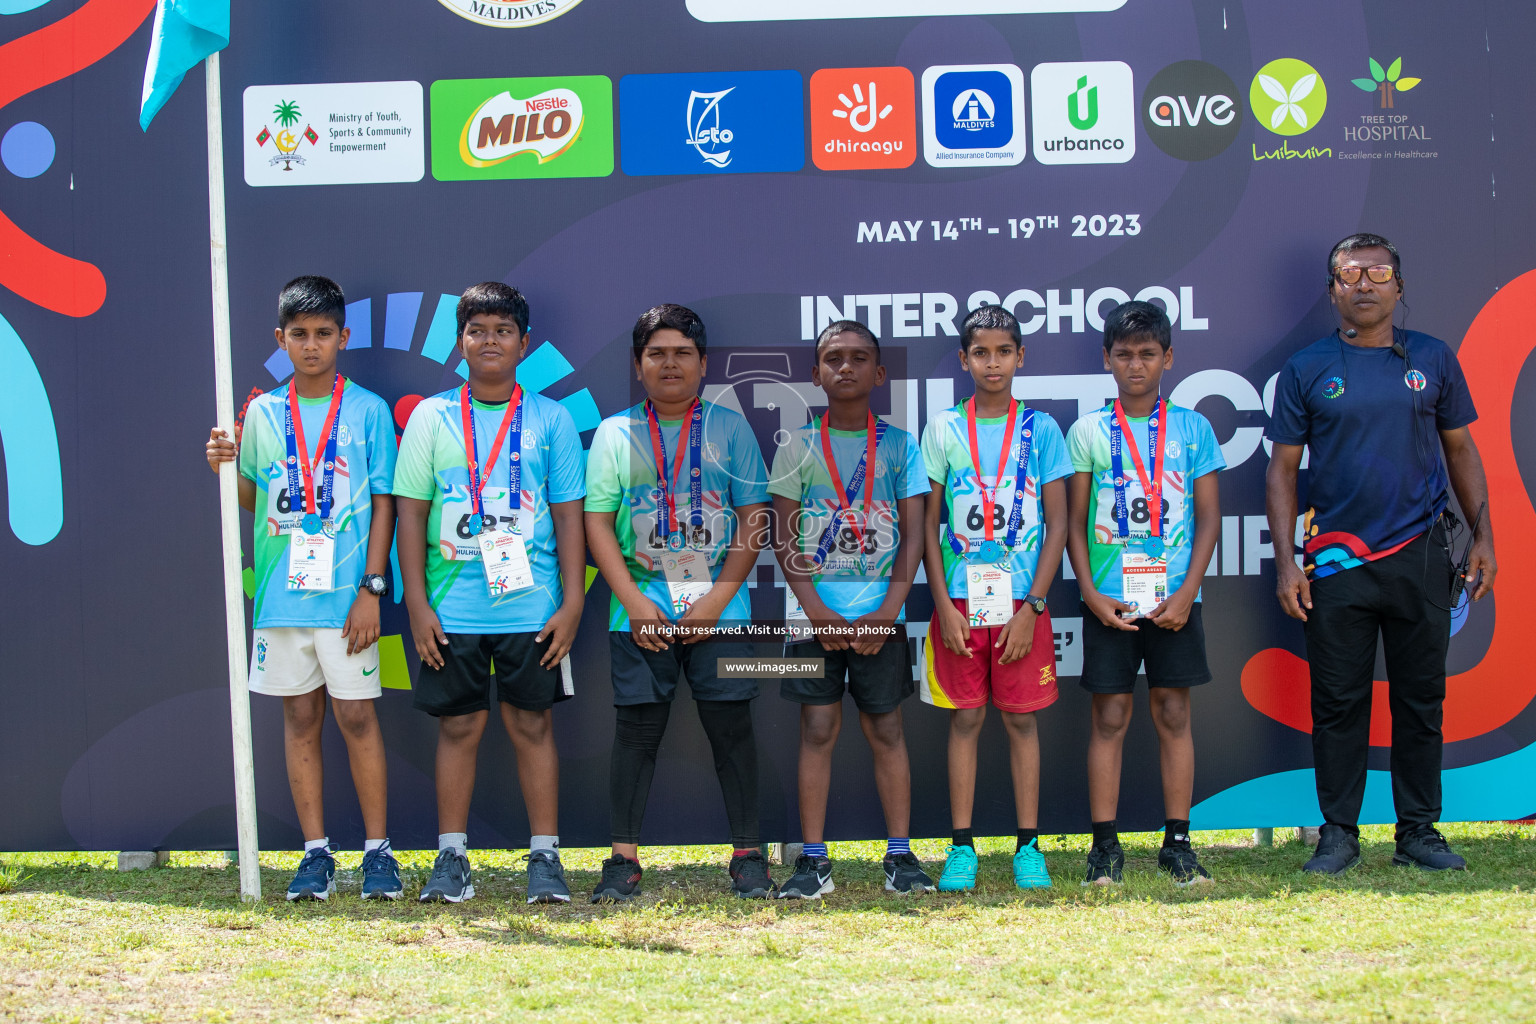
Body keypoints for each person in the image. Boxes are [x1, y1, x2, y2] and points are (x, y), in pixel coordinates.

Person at [1265, 233, 1496, 874]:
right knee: (1338, 703)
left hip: (1423, 554)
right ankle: (1338, 833)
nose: (1364, 284)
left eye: (1378, 272)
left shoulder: (1433, 358)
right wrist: (1288, 562)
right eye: (1349, 273)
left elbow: (1462, 452)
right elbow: (1282, 472)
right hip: (1337, 560)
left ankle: (1419, 832)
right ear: (1333, 289)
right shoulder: (1307, 368)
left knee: (1420, 700)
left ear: (1399, 285)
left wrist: (1484, 537)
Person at [204, 275, 400, 901]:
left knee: (356, 715)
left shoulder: (367, 411)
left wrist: (372, 587)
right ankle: (315, 853)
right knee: (299, 716)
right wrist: (224, 466)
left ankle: (378, 853)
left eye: (323, 334)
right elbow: (252, 498)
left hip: (347, 601)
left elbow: (385, 504)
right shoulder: (262, 412)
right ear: (280, 340)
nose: (311, 346)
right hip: (283, 597)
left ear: (343, 337)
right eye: (299, 335)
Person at [395, 282, 586, 904]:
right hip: (452, 609)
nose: (490, 341)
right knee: (458, 730)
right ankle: (451, 859)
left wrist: (573, 602)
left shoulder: (551, 419)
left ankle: (545, 859)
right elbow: (410, 515)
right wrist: (417, 605)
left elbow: (568, 518)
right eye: (477, 330)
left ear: (524, 343)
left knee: (532, 726)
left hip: (532, 608)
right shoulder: (431, 416)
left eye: (503, 331)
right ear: (460, 343)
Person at [584, 303, 774, 901]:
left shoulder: (730, 427)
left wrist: (719, 597)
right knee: (636, 733)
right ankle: (622, 860)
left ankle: (748, 855)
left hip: (721, 612)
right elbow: (595, 524)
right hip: (636, 609)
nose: (670, 364)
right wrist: (634, 599)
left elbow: (754, 519)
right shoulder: (615, 433)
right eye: (656, 353)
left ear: (703, 363)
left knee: (732, 730)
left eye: (682, 353)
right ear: (638, 364)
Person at [769, 320, 932, 898]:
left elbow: (914, 536)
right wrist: (815, 611)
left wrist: (889, 610)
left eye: (859, 358)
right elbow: (783, 536)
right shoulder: (797, 445)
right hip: (812, 618)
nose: (846, 367)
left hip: (879, 618)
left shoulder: (900, 445)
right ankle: (814, 861)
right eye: (833, 358)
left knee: (887, 728)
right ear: (815, 375)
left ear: (880, 374)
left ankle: (900, 858)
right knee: (816, 727)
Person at [1066, 300, 1223, 887]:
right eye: (1125, 354)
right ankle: (1105, 846)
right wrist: (1088, 592)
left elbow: (1208, 519)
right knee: (1109, 714)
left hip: (1174, 600)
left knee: (1174, 712)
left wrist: (1188, 592)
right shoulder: (1087, 430)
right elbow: (1075, 522)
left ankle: (1177, 842)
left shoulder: (1194, 428)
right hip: (1110, 600)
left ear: (1168, 359)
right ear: (1107, 359)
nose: (1136, 365)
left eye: (1148, 354)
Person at [920, 305, 1073, 892]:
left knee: (1021, 723)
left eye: (1003, 351)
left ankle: (1028, 846)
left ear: (1020, 357)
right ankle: (962, 848)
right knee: (967, 719)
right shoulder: (943, 430)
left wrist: (1034, 607)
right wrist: (943, 605)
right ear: (964, 360)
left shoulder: (1042, 430)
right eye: (980, 352)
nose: (992, 362)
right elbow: (929, 528)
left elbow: (1057, 525)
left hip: (1020, 607)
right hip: (959, 603)